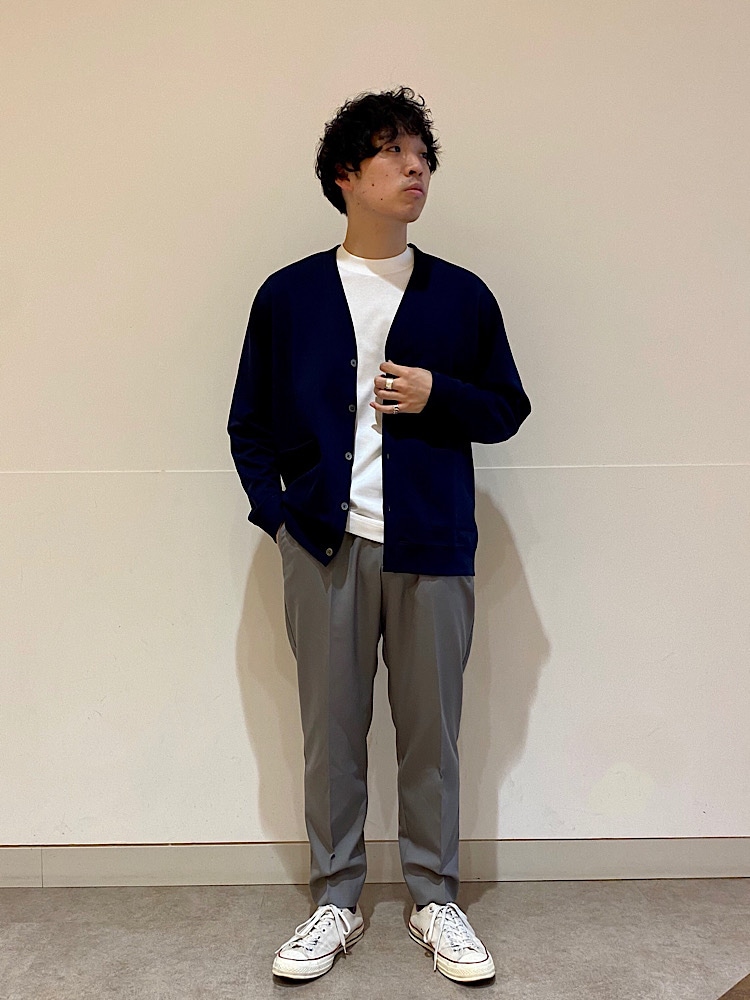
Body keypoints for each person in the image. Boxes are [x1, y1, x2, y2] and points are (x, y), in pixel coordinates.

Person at [227, 85, 531, 984]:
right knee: (331, 734)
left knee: (433, 734)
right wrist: (282, 520)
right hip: (326, 544)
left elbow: (507, 408)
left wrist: (440, 394)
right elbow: (248, 425)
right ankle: (335, 899)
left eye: (423, 157)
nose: (415, 169)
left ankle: (434, 897)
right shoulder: (289, 296)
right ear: (345, 175)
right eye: (394, 153)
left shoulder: (460, 295)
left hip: (431, 544)